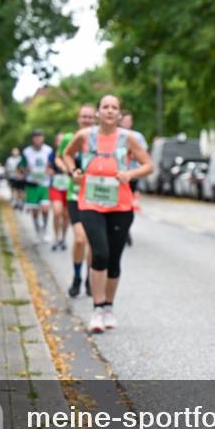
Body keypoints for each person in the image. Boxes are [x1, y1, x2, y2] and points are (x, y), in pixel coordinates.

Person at [62, 95, 152, 333]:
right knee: (99, 253)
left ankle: (109, 307)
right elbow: (67, 154)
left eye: (114, 107)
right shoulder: (85, 136)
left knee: (113, 259)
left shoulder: (128, 138)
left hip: (120, 206)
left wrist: (130, 175)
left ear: (119, 114)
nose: (110, 111)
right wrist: (74, 171)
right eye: (105, 107)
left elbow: (148, 165)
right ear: (99, 112)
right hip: (90, 203)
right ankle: (97, 308)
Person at [57, 104, 96, 296]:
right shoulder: (69, 138)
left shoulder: (98, 139)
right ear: (78, 119)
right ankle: (77, 277)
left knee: (92, 241)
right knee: (81, 239)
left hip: (94, 196)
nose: (87, 120)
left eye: (90, 117)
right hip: (75, 195)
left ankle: (90, 277)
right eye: (84, 117)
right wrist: (69, 170)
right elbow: (60, 157)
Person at [119, 110, 148, 247]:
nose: (126, 123)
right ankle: (119, 230)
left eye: (129, 120)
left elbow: (144, 157)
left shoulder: (137, 136)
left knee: (129, 205)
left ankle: (125, 230)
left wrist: (132, 153)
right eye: (124, 120)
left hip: (132, 176)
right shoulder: (115, 135)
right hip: (118, 176)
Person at [19, 130, 53, 243]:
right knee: (34, 211)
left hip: (45, 184)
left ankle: (45, 230)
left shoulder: (48, 150)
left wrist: (51, 170)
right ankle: (37, 232)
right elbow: (21, 167)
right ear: (32, 139)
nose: (38, 139)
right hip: (32, 183)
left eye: (40, 137)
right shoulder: (26, 152)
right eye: (35, 137)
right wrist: (24, 170)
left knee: (45, 208)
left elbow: (53, 165)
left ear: (43, 138)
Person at [47, 133, 70, 251]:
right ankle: (56, 237)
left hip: (69, 186)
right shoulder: (52, 153)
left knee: (66, 215)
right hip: (56, 186)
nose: (61, 143)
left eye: (63, 141)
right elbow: (48, 167)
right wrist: (50, 171)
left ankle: (63, 238)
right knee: (57, 212)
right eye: (59, 141)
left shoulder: (71, 152)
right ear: (56, 142)